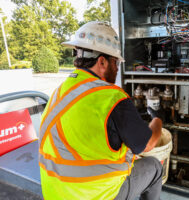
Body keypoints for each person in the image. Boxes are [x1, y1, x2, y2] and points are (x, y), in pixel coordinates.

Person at [39, 21, 163, 200]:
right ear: (102, 61)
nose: (117, 68)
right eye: (116, 63)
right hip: (96, 195)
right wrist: (157, 118)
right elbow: (148, 144)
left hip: (55, 193)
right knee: (154, 167)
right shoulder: (110, 97)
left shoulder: (59, 91)